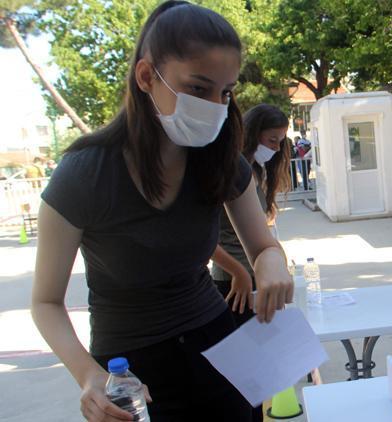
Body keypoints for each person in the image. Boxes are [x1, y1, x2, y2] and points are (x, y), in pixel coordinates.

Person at [30, 3, 293, 421]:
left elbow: (263, 246)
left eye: (225, 92)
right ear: (148, 76)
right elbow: (45, 302)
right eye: (198, 89)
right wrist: (88, 376)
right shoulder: (85, 174)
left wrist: (272, 263)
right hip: (131, 370)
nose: (215, 106)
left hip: (218, 342)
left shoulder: (220, 157)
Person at [212, 103, 292, 326]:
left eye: (281, 141)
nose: (277, 149)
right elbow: (202, 239)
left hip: (257, 277)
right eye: (272, 140)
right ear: (252, 135)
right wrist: (239, 273)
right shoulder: (230, 172)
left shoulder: (254, 170)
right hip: (235, 283)